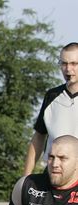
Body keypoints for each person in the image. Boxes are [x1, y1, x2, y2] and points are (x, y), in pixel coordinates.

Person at [23, 42, 78, 176]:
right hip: (53, 176)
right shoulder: (52, 96)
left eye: (74, 63)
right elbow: (38, 138)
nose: (68, 69)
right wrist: (25, 178)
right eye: (63, 63)